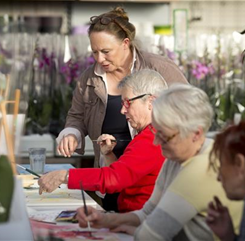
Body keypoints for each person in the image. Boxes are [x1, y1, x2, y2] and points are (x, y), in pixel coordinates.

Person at [55, 7, 188, 212]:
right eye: (94, 52)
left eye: (106, 52)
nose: (99, 59)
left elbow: (189, 110)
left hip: (150, 182)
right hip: (110, 171)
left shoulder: (160, 68)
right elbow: (76, 115)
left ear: (125, 43)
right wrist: (72, 133)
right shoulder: (89, 78)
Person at [74, 84, 244, 240]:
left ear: (196, 134)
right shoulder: (178, 156)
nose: (156, 142)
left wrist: (137, 231)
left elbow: (150, 236)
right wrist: (106, 219)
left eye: (165, 136)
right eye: (156, 132)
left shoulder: (200, 168)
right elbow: (147, 213)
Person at [38, 70, 168, 213]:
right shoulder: (153, 132)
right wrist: (108, 155)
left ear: (151, 102)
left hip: (138, 222)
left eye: (127, 103)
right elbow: (126, 177)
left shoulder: (151, 138)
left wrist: (64, 176)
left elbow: (114, 180)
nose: (122, 111)